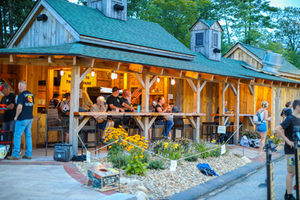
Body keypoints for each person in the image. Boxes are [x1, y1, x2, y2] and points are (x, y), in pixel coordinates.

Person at [275, 99, 300, 200]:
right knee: (291, 172)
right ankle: (288, 195)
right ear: (297, 107)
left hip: (298, 150)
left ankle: (290, 190)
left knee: (296, 172)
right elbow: (277, 129)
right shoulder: (289, 119)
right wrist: (288, 141)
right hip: (290, 151)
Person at [8, 81, 34, 160]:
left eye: (19, 86)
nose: (18, 88)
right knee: (28, 136)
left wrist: (16, 116)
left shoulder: (21, 95)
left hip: (22, 118)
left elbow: (19, 107)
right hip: (30, 118)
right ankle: (28, 154)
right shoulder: (31, 95)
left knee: (17, 136)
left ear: (21, 86)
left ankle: (15, 155)